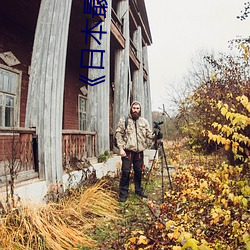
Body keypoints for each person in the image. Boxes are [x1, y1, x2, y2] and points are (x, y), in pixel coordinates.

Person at [115, 101, 160, 202]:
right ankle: (123, 193)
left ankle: (138, 190)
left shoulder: (144, 121)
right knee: (126, 172)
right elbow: (118, 134)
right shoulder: (124, 120)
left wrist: (156, 135)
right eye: (134, 108)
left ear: (140, 110)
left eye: (137, 108)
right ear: (131, 109)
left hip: (139, 151)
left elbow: (149, 135)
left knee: (138, 171)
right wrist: (121, 148)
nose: (135, 110)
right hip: (127, 151)